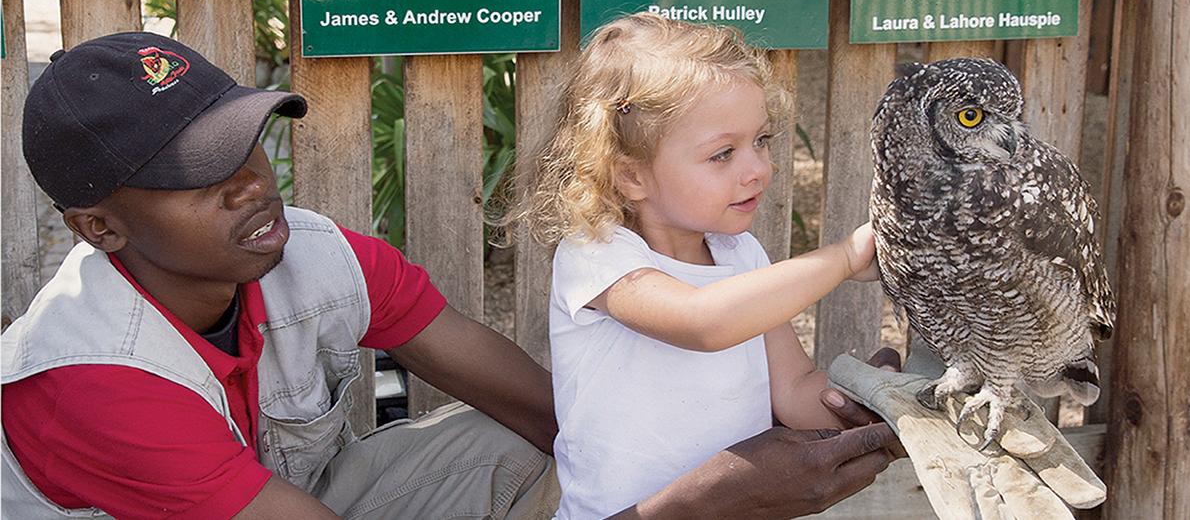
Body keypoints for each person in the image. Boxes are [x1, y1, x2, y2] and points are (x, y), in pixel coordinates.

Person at [3, 30, 900, 520]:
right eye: (198, 174)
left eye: (245, 144)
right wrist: (686, 511)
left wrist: (807, 431)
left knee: (527, 442)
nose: (247, 185)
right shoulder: (97, 382)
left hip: (292, 498)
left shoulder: (312, 252)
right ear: (100, 227)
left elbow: (554, 417)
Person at [503, 13, 896, 520]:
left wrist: (867, 398)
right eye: (722, 154)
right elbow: (703, 322)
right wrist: (841, 259)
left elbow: (795, 393)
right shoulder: (598, 255)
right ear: (630, 175)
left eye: (762, 141)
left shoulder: (741, 256)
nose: (758, 168)